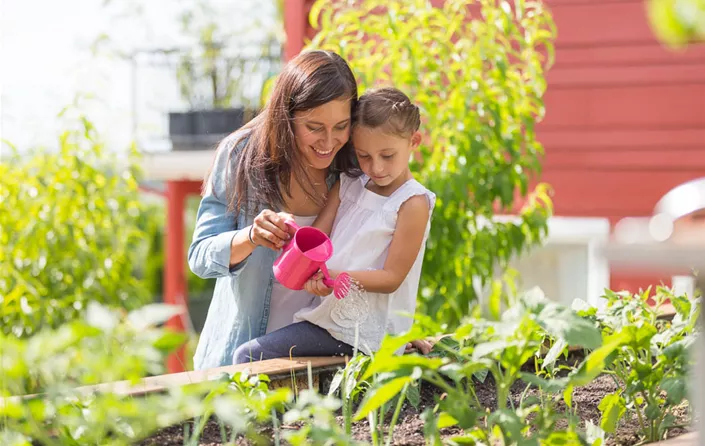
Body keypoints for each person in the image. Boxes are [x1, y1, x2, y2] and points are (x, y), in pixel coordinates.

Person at [187, 50, 362, 371]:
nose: (329, 141)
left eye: (341, 126)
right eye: (314, 127)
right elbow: (199, 256)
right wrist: (250, 237)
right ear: (288, 116)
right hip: (241, 359)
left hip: (319, 361)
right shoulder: (242, 154)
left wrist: (396, 331)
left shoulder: (352, 166)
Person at [233, 87, 436, 363]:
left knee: (249, 356)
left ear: (414, 141)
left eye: (387, 155)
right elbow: (317, 238)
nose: (375, 167)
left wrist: (335, 276)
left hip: (363, 333)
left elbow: (392, 278)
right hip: (329, 321)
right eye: (364, 156)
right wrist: (291, 233)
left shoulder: (412, 202)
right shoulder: (349, 184)